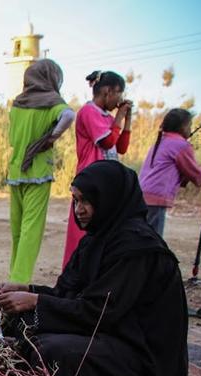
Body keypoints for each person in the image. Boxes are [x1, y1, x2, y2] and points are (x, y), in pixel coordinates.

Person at [0, 161, 188, 376]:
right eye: (76, 200)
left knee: (50, 350)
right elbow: (69, 293)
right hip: (108, 330)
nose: (79, 209)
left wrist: (34, 300)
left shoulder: (137, 248)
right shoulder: (96, 239)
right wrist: (25, 290)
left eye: (86, 201)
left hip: (142, 352)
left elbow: (100, 311)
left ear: (109, 199)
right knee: (22, 320)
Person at [5, 59, 75, 284]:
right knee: (31, 228)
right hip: (38, 171)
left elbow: (11, 139)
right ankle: (20, 279)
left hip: (16, 171)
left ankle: (13, 275)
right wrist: (51, 137)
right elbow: (68, 116)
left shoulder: (18, 104)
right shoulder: (52, 102)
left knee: (17, 228)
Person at [63, 70, 133, 268]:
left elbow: (121, 147)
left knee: (103, 227)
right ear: (108, 91)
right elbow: (106, 141)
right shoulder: (88, 111)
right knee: (83, 227)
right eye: (119, 93)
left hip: (106, 181)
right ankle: (76, 270)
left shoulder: (108, 118)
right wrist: (119, 115)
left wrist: (127, 120)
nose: (120, 99)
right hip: (91, 177)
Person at [139, 108, 201, 236]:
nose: (190, 129)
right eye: (189, 126)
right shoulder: (181, 145)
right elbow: (196, 175)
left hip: (143, 194)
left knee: (143, 236)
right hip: (156, 197)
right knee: (153, 239)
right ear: (183, 127)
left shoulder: (162, 141)